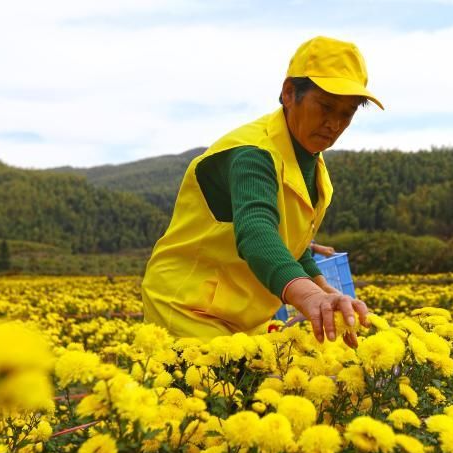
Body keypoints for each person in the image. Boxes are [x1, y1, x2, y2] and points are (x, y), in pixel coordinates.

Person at [141, 36, 383, 348]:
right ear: (289, 93)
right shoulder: (252, 154)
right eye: (325, 107)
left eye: (346, 113)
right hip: (189, 308)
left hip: (241, 316)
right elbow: (256, 232)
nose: (334, 124)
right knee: (217, 396)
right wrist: (306, 294)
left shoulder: (311, 162)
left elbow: (287, 246)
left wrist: (324, 292)